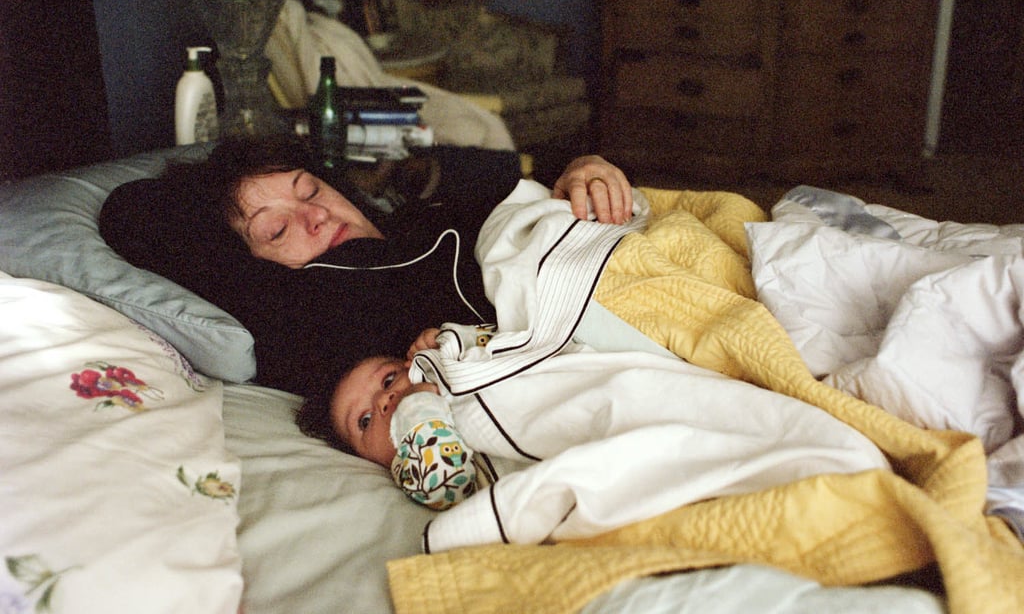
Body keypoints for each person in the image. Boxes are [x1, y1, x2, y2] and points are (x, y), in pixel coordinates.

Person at [99, 133, 633, 397]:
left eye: (309, 189)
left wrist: (586, 169)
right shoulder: (305, 313)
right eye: (277, 230)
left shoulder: (422, 221)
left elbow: (529, 194)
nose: (313, 215)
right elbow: (131, 212)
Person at [314, 324, 892, 551]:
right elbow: (446, 477)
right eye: (365, 422)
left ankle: (806, 464)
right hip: (544, 472)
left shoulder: (453, 376)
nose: (385, 402)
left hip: (591, 406)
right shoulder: (418, 467)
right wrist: (416, 414)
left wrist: (453, 347)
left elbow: (534, 356)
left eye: (388, 380)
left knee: (675, 419)